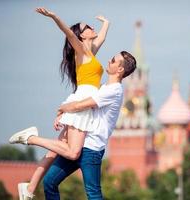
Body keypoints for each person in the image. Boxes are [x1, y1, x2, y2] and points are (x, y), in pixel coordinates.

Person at [9, 7, 109, 199]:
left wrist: (106, 23)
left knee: (56, 148)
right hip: (82, 103)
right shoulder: (81, 52)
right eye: (87, 26)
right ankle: (31, 138)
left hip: (81, 101)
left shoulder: (90, 52)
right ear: (82, 36)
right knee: (72, 152)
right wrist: (54, 17)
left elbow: (102, 38)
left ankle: (29, 189)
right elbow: (69, 33)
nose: (91, 27)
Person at [11, 51, 137, 200]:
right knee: (49, 182)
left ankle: (31, 139)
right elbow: (81, 108)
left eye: (114, 60)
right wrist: (63, 115)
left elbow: (82, 105)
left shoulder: (114, 90)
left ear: (120, 69)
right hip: (80, 143)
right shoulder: (104, 87)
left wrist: (63, 108)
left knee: (93, 194)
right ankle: (31, 138)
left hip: (92, 149)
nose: (109, 60)